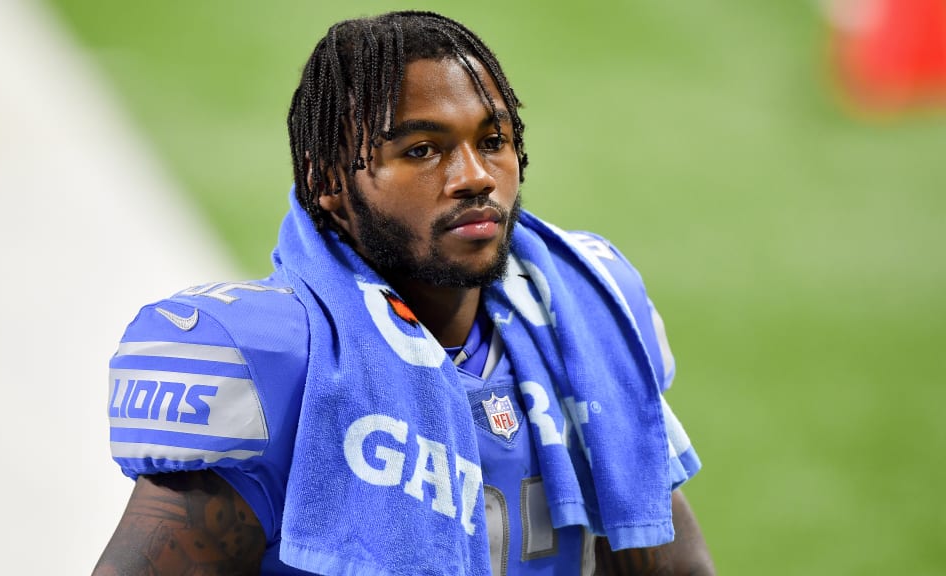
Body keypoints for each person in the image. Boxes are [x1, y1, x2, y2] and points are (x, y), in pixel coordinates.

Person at [94, 10, 715, 576]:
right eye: (422, 149)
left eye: (492, 141)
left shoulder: (584, 317)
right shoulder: (280, 363)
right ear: (330, 183)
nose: (475, 176)